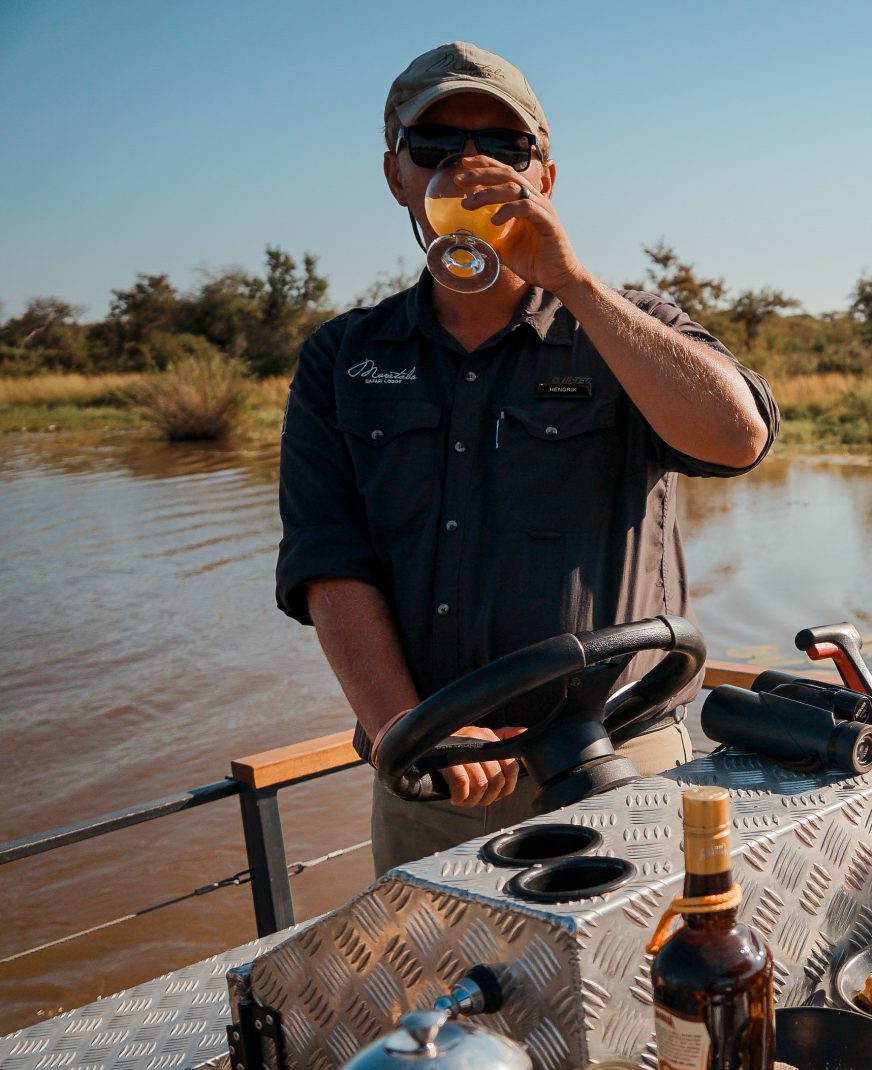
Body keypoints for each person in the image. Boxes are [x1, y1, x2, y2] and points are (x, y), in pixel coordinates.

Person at [276, 42, 776, 874]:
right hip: (430, 785)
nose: (470, 167)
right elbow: (330, 566)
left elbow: (738, 438)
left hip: (617, 766)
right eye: (436, 146)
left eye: (503, 148)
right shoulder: (342, 358)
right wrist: (416, 728)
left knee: (644, 998)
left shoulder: (625, 326)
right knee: (439, 1000)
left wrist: (573, 281)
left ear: (544, 175)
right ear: (397, 174)